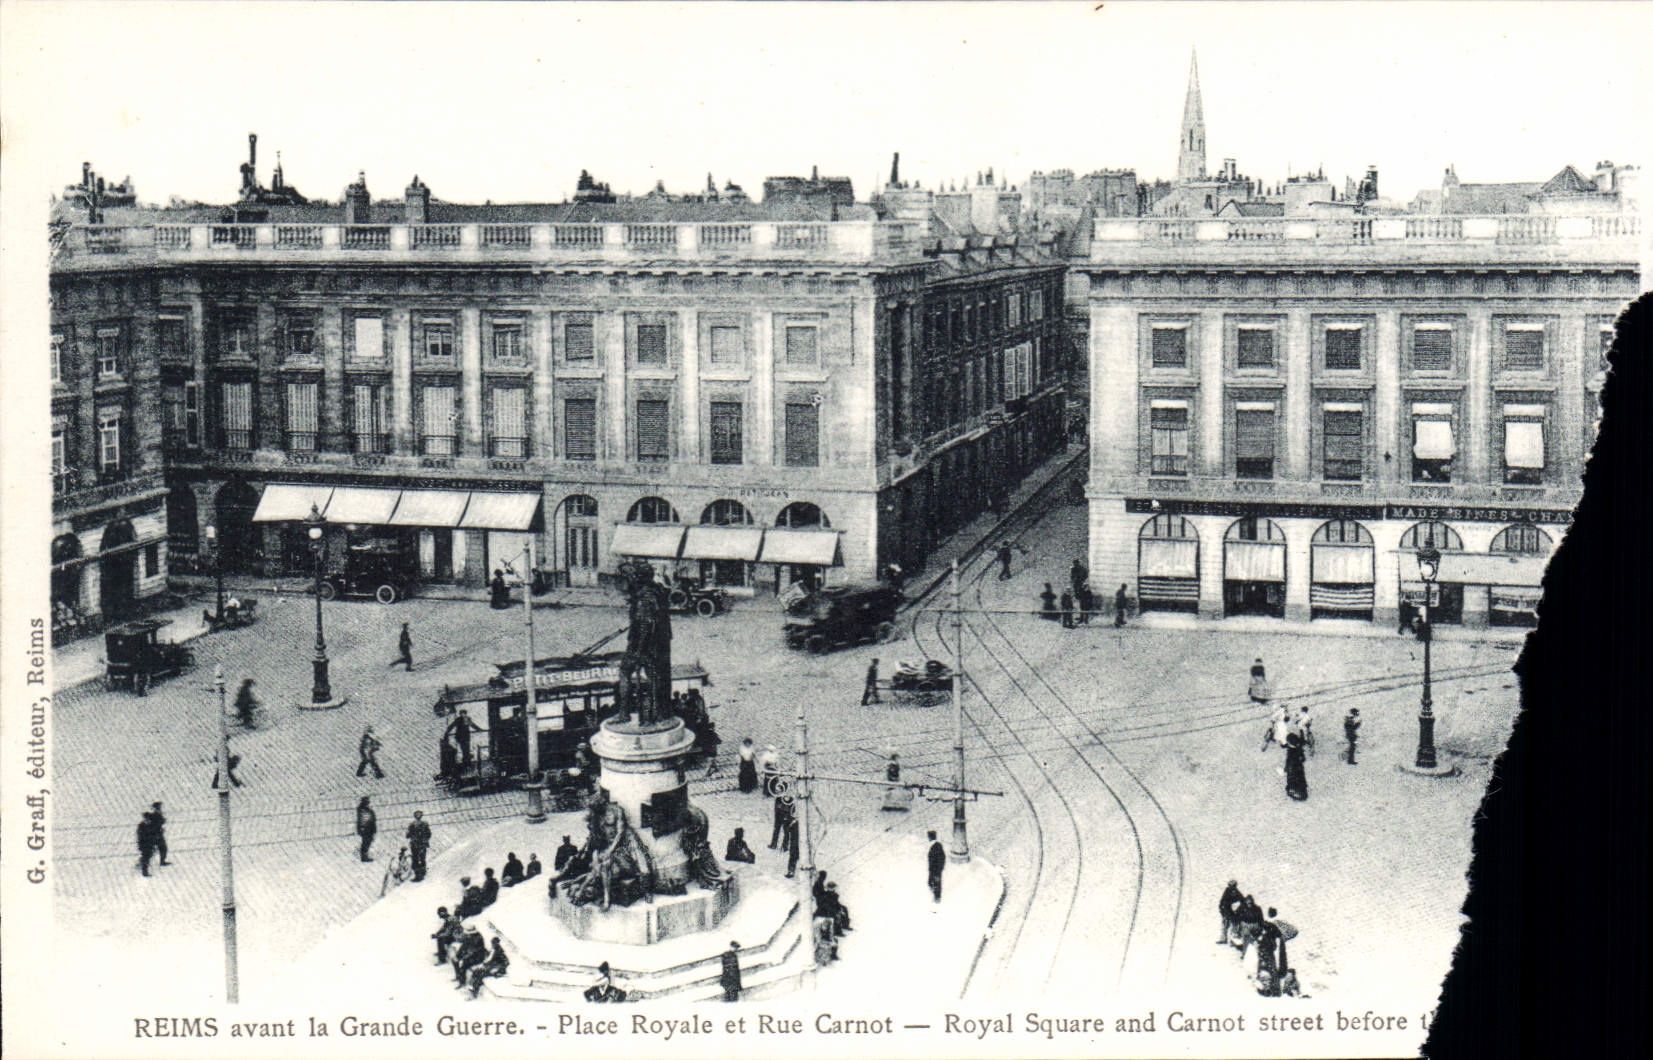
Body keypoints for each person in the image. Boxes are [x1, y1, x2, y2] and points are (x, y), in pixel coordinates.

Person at [406, 810, 432, 882]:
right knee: (422, 858)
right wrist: (425, 839)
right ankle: (423, 872)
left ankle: (418, 875)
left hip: (414, 844)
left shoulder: (412, 824)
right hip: (423, 844)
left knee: (415, 859)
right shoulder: (425, 824)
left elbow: (407, 835)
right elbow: (429, 834)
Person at [1284, 731, 1309, 802]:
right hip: (1300, 769)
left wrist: (1286, 769)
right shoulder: (1298, 748)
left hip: (1293, 770)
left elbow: (1288, 761)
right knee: (1301, 780)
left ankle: (1294, 792)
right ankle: (1303, 793)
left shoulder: (1291, 751)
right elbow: (1303, 758)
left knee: (1293, 781)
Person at [1218, 879, 1244, 946]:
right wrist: (1222, 910)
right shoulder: (1227, 892)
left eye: (1233, 885)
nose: (1232, 887)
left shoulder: (1236, 892)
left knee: (1233, 926)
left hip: (1231, 912)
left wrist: (1238, 910)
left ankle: (1233, 939)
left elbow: (1242, 900)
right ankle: (1224, 939)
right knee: (1225, 925)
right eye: (1231, 885)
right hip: (1226, 912)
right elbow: (1222, 903)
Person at [355, 796, 377, 862]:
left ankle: (365, 855)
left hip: (368, 828)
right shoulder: (363, 810)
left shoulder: (365, 809)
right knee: (366, 842)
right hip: (366, 828)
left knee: (367, 842)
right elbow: (364, 820)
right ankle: (364, 856)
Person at [927, 829, 946, 903]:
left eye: (928, 837)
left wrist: (939, 870)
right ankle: (935, 896)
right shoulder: (936, 845)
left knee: (936, 884)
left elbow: (941, 859)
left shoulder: (936, 846)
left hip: (935, 870)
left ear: (930, 837)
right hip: (932, 870)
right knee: (930, 883)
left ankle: (937, 899)